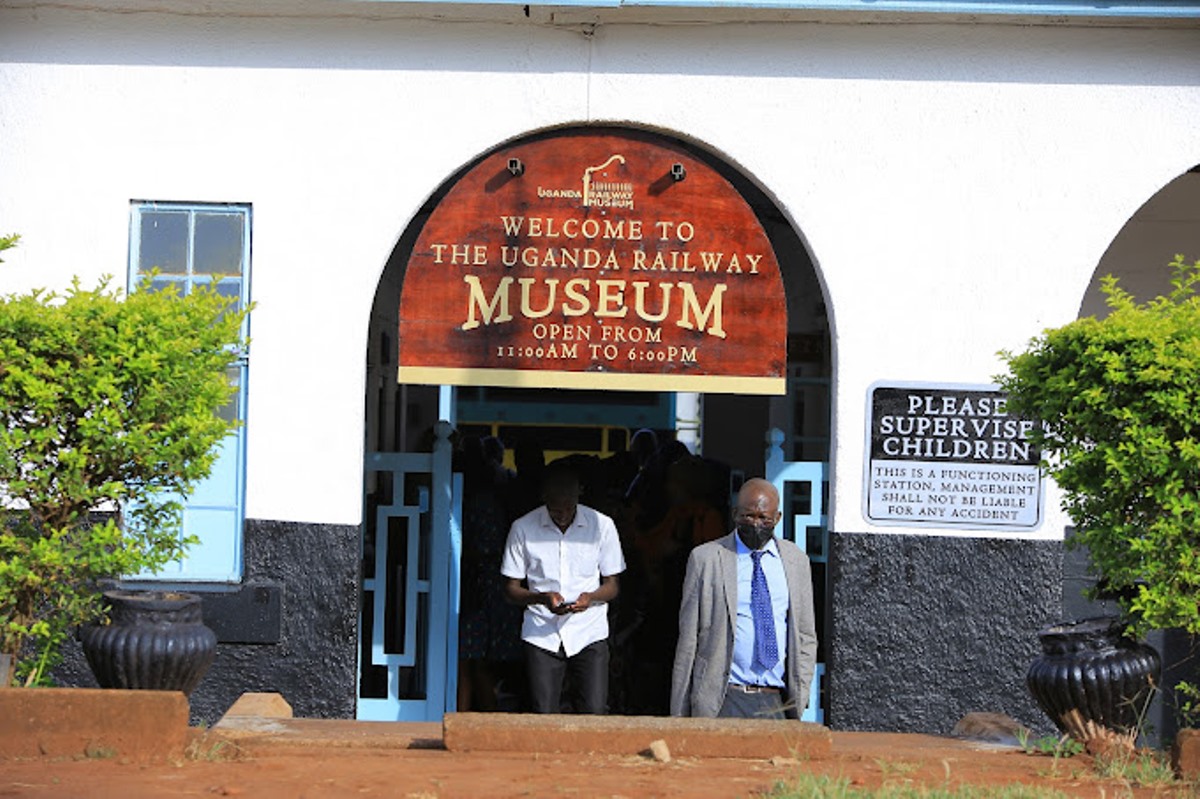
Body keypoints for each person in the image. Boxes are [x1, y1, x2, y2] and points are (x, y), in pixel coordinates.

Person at [670, 478, 818, 720]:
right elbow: (688, 640)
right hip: (723, 698)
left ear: (777, 518)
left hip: (777, 700)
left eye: (764, 518)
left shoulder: (796, 561)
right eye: (748, 516)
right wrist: (679, 713)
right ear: (735, 513)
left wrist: (799, 693)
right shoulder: (706, 559)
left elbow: (805, 635)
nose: (756, 524)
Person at [501, 461, 626, 714]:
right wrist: (541, 599)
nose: (562, 515)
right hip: (541, 632)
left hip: (590, 630)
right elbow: (510, 589)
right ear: (543, 498)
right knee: (543, 712)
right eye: (555, 509)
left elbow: (613, 586)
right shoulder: (523, 528)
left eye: (569, 508)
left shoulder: (602, 526)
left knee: (594, 710)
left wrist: (590, 598)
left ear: (580, 493)